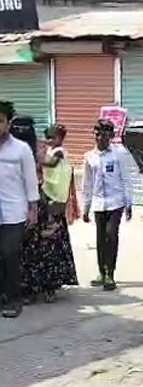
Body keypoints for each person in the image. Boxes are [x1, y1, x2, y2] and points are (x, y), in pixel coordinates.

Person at [21, 122, 78, 303]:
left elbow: (50, 165)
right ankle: (34, 287)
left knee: (51, 244)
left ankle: (49, 287)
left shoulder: (58, 153)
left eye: (53, 137)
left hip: (51, 201)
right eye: (48, 137)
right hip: (40, 201)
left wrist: (34, 158)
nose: (49, 140)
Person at [82, 119, 134, 291]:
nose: (100, 138)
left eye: (104, 135)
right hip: (98, 203)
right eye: (97, 134)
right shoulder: (89, 157)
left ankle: (110, 273)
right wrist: (86, 206)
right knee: (100, 238)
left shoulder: (119, 153)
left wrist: (128, 203)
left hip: (115, 202)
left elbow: (126, 178)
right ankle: (101, 272)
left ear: (111, 136)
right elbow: (87, 183)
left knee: (111, 235)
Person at [0, 101, 38, 318]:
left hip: (14, 211)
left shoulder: (21, 149)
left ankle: (14, 300)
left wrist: (32, 208)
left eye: (0, 121)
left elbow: (30, 181)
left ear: (8, 123)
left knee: (9, 253)